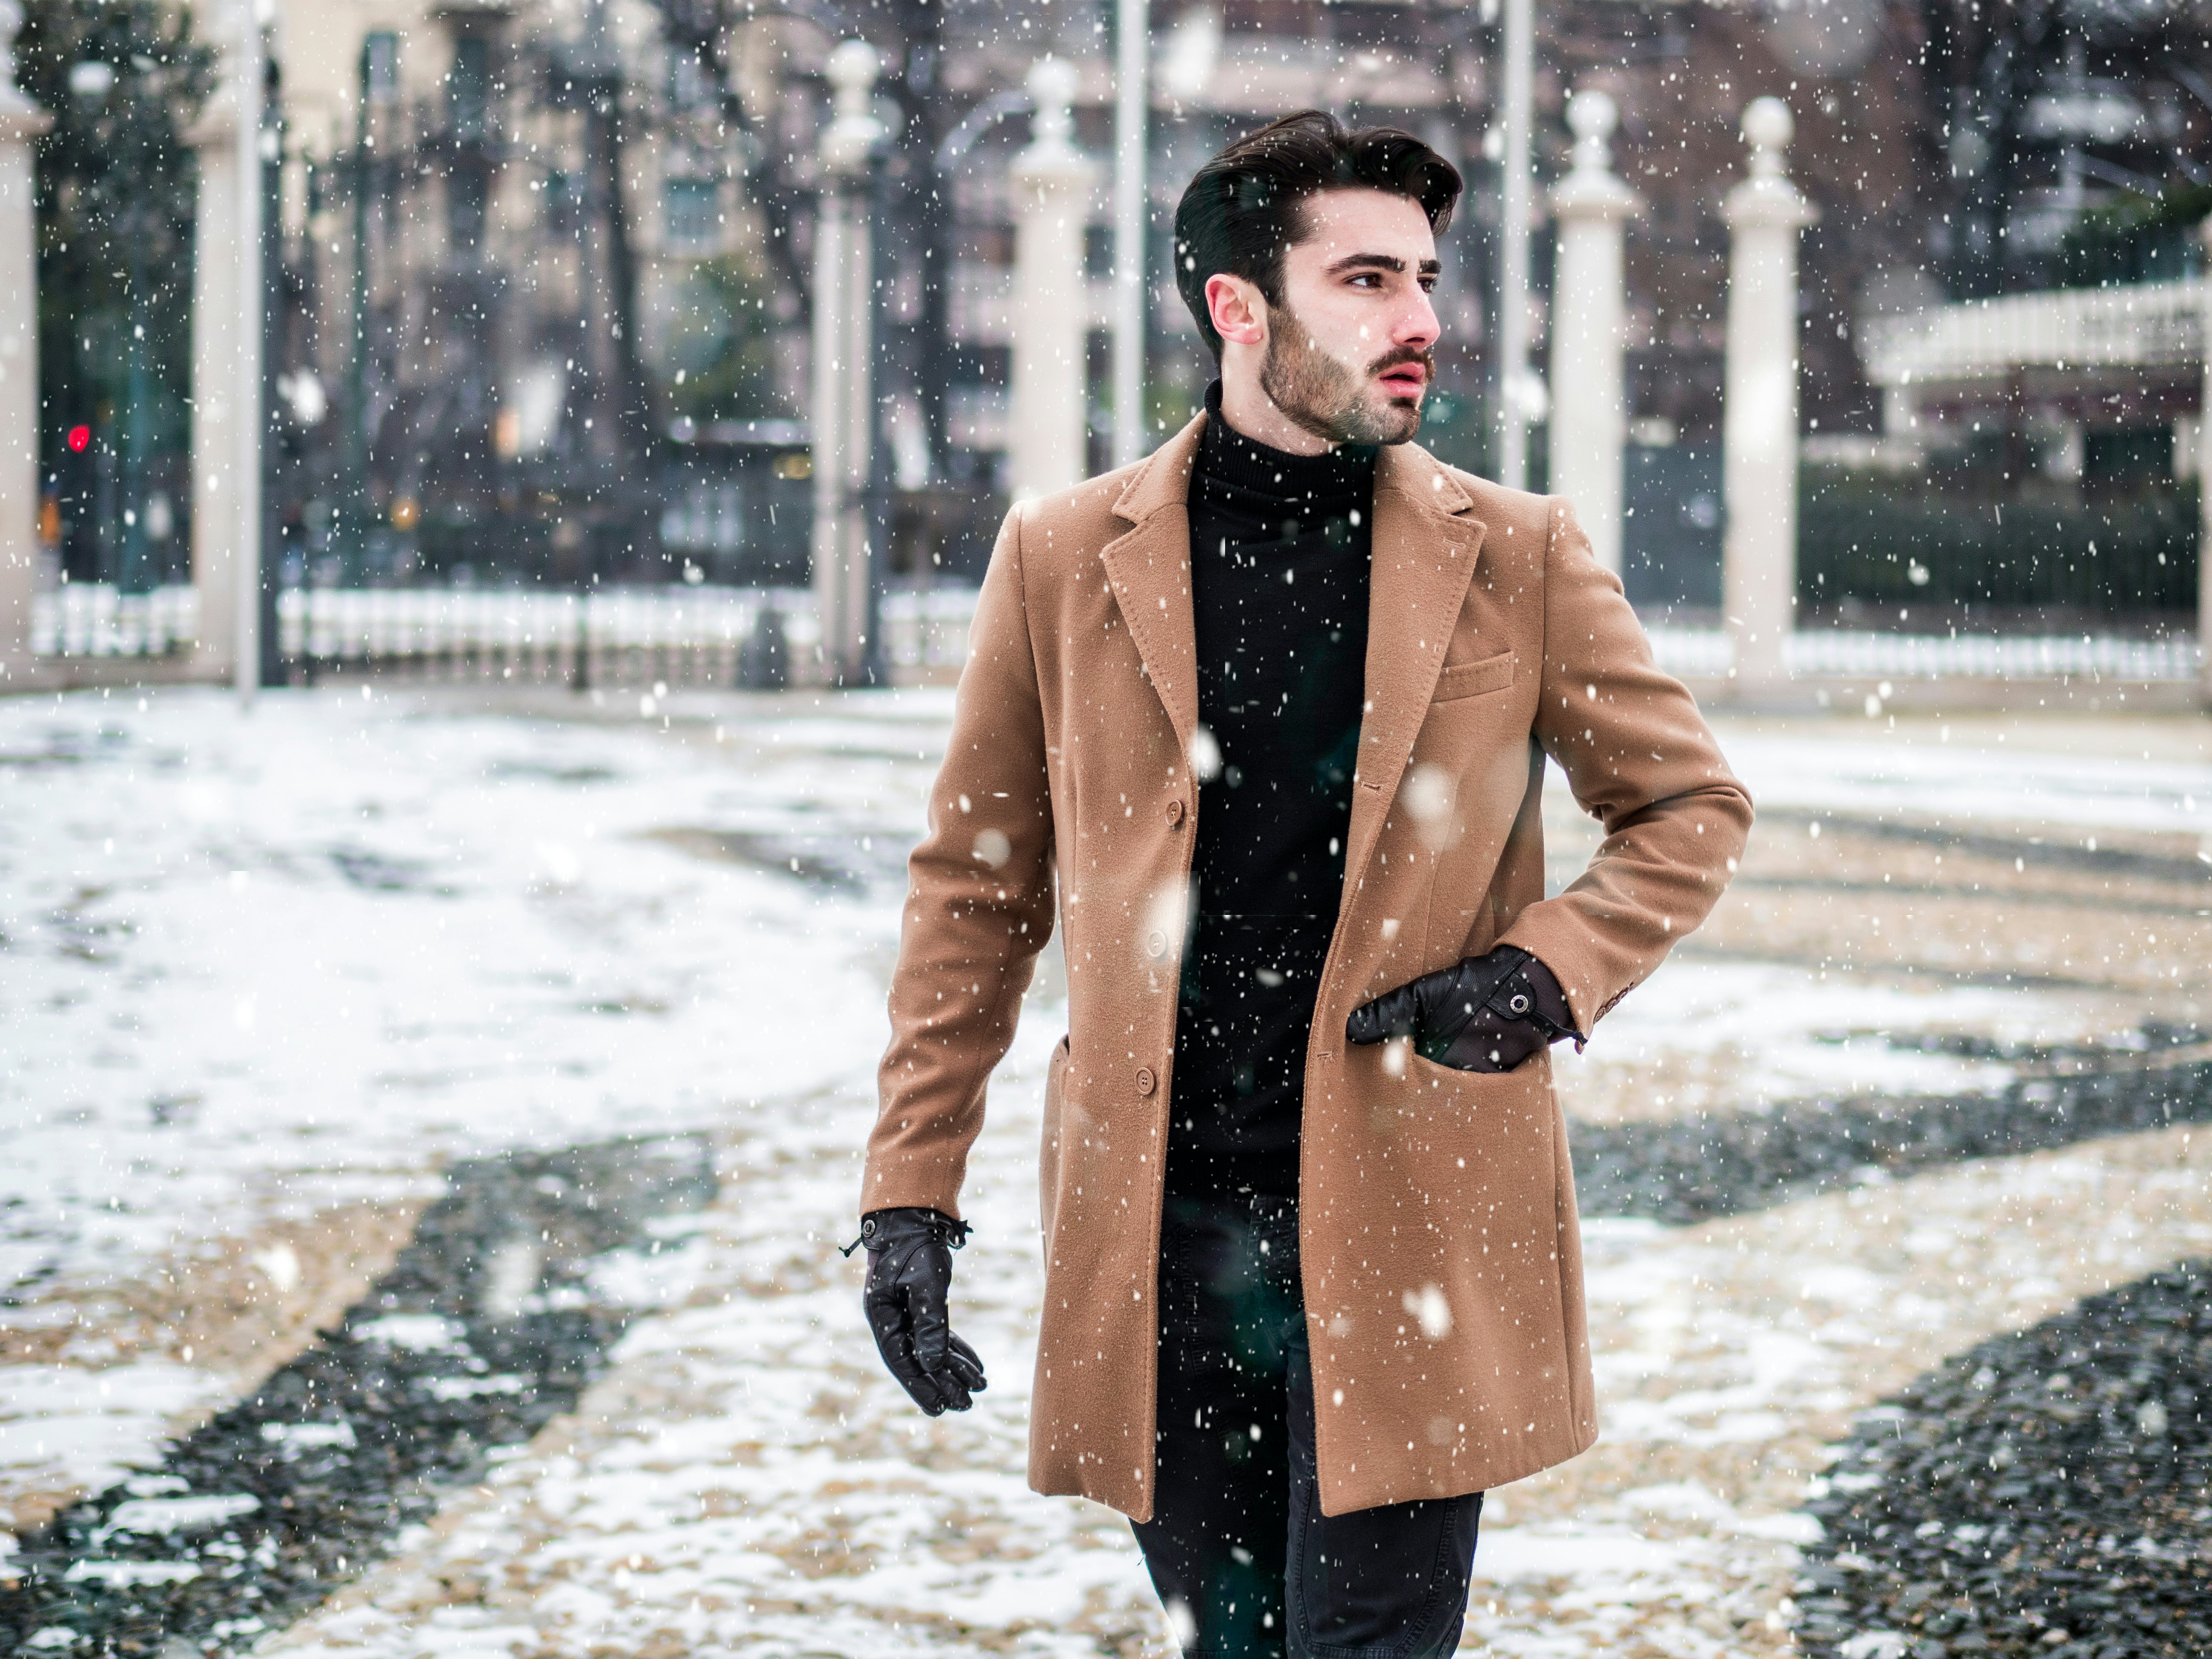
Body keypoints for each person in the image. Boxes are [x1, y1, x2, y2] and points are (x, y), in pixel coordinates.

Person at [854, 110, 1752, 1657]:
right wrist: (908, 1193)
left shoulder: (1518, 552)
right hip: (1163, 1242)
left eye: (1425, 278)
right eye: (1366, 280)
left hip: (1417, 1230)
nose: (1421, 322)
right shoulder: (1062, 557)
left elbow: (1687, 806)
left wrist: (1546, 971)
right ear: (1239, 308)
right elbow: (976, 894)